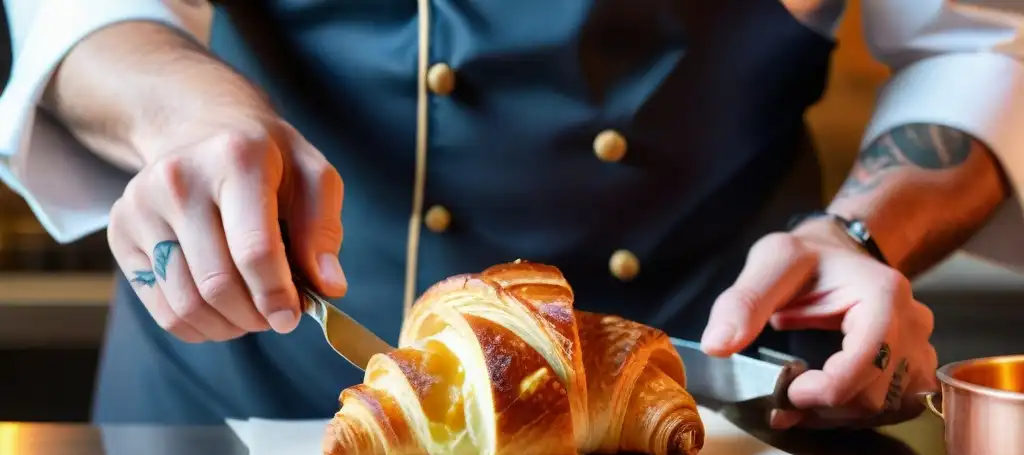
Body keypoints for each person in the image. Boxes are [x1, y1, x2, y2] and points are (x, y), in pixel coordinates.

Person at [0, 0, 1020, 429]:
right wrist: (190, 121)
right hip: (254, 386)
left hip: (711, 413)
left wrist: (854, 235)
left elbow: (974, 40)